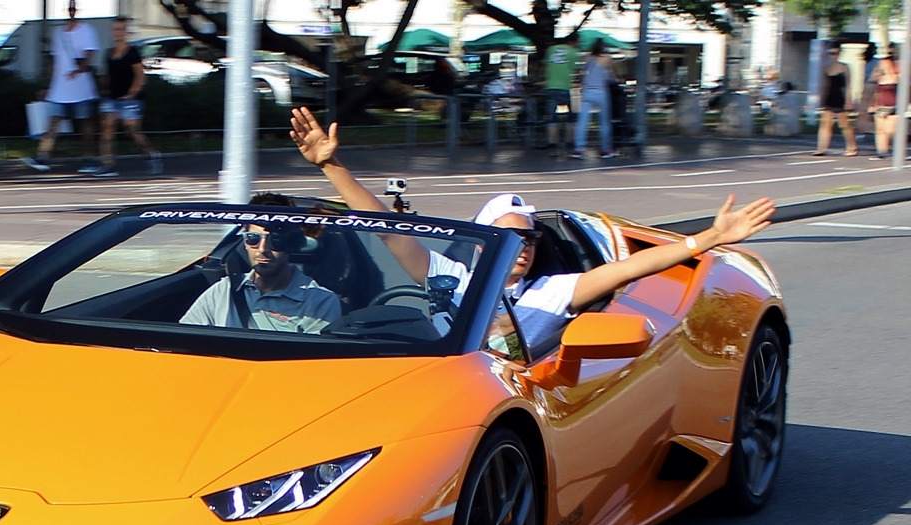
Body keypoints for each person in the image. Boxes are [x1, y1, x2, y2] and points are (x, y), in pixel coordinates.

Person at [287, 106, 775, 350]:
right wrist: (333, 168)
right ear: (480, 246)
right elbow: (389, 229)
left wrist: (708, 239)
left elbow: (629, 269)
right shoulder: (448, 276)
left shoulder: (555, 292)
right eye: (507, 237)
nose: (522, 247)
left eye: (530, 239)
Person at [180, 192, 343, 334]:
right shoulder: (223, 290)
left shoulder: (320, 301)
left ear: (292, 243)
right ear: (244, 242)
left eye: (274, 240)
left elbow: (314, 364)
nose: (262, 249)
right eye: (253, 239)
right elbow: (185, 339)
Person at [23, 0, 101, 174]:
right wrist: (48, 86)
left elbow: (89, 54)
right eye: (70, 8)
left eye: (74, 8)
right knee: (53, 121)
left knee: (85, 124)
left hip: (81, 86)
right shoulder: (58, 33)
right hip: (60, 87)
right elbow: (54, 61)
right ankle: (42, 155)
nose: (71, 11)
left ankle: (89, 158)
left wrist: (79, 70)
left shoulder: (87, 30)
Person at [96, 17, 161, 178]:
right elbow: (107, 75)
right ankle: (107, 164)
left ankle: (150, 155)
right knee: (107, 128)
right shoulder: (109, 53)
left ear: (125, 32)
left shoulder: (132, 52)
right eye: (115, 29)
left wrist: (132, 93)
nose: (117, 32)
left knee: (132, 131)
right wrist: (103, 88)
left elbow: (139, 75)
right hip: (112, 98)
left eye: (120, 29)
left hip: (131, 99)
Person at [573, 39, 615, 160]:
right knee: (604, 123)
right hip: (602, 92)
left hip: (587, 92)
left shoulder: (588, 58)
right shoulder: (607, 59)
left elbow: (583, 73)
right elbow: (611, 76)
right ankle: (605, 149)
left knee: (582, 122)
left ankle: (579, 149)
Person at [812, 43, 857, 156]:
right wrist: (821, 99)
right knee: (825, 123)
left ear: (839, 53)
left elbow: (848, 85)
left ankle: (852, 147)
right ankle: (821, 148)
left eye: (835, 53)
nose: (833, 56)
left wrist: (848, 100)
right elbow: (825, 86)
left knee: (844, 124)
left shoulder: (845, 67)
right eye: (830, 53)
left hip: (841, 97)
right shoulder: (826, 68)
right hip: (830, 97)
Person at [543, 33, 577, 153]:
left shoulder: (550, 50)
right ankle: (569, 142)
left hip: (551, 87)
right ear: (573, 42)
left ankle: (553, 144)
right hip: (566, 87)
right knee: (571, 117)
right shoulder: (573, 52)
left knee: (552, 117)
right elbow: (574, 70)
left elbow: (547, 67)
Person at [869, 47, 900, 160]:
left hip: (894, 105)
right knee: (880, 130)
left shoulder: (897, 76)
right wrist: (873, 104)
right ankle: (882, 151)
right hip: (881, 105)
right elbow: (874, 89)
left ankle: (890, 148)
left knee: (890, 130)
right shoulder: (879, 77)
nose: (882, 65)